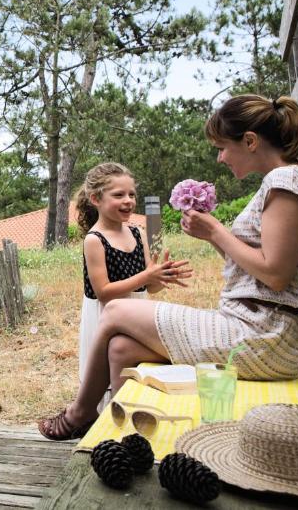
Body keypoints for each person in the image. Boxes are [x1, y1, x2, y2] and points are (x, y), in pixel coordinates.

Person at [38, 94, 298, 440]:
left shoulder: (286, 182)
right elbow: (264, 270)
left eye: (222, 147)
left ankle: (81, 413)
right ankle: (124, 440)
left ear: (250, 141)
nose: (220, 157)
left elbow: (276, 275)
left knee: (117, 310)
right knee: (121, 347)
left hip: (264, 337)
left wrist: (216, 231)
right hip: (266, 333)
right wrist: (211, 237)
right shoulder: (286, 182)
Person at [74, 162, 191, 413]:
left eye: (131, 194)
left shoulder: (137, 233)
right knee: (106, 375)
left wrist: (162, 276)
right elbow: (103, 291)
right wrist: (146, 276)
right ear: (95, 198)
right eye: (118, 195)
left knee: (134, 371)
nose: (128, 201)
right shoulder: (94, 240)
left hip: (138, 312)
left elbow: (150, 286)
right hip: (106, 316)